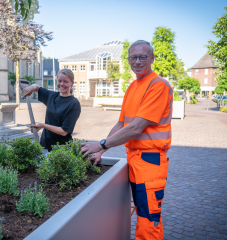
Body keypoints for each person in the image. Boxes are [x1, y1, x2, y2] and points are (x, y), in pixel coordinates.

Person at [80, 40, 173, 240]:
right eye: (133, 57)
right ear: (128, 59)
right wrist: (101, 150)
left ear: (152, 58)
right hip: (134, 159)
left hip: (150, 162)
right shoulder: (133, 86)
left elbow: (137, 127)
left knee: (149, 218)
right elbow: (121, 123)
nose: (137, 61)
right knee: (141, 211)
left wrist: (102, 144)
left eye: (143, 57)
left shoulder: (158, 85)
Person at [22, 68, 81, 152]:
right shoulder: (52, 96)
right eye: (59, 81)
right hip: (44, 145)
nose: (62, 84)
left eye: (66, 82)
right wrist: (32, 87)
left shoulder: (74, 104)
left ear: (72, 84)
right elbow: (37, 87)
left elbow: (64, 131)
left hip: (62, 150)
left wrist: (43, 125)